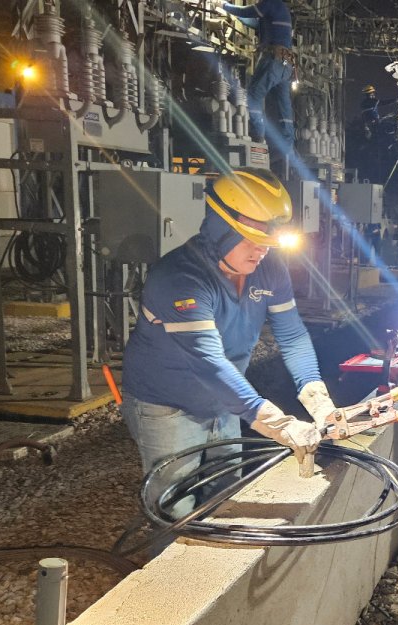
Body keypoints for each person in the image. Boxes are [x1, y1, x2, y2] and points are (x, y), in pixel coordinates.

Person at [121, 168, 337, 519]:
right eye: (250, 240)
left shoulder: (269, 270)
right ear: (220, 228)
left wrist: (318, 399)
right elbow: (209, 363)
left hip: (224, 402)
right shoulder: (179, 277)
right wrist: (275, 423)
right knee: (175, 508)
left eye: (267, 242)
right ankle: (177, 568)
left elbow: (293, 335)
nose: (261, 252)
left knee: (226, 493)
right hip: (167, 405)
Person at [220, 0, 295, 153]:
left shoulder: (270, 4)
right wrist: (234, 13)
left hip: (273, 60)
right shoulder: (280, 8)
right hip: (286, 64)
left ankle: (258, 136)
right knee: (284, 106)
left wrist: (224, 5)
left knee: (253, 96)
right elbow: (254, 22)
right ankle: (288, 146)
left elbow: (249, 11)